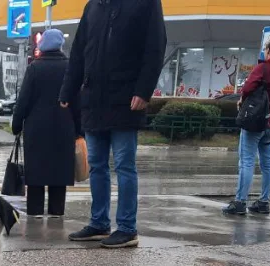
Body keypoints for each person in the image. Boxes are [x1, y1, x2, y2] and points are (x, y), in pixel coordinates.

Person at [60, 0, 167, 248]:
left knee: (124, 166)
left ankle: (127, 228)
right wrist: (67, 90)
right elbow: (78, 51)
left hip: (126, 99)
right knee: (96, 165)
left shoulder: (145, 4)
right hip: (94, 100)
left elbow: (155, 47)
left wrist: (144, 90)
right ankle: (99, 223)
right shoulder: (93, 6)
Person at [12, 29, 81, 218]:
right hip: (64, 128)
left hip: (37, 130)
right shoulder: (70, 68)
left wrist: (16, 124)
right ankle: (56, 213)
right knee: (59, 173)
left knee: (36, 173)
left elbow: (23, 100)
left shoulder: (35, 68)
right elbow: (77, 101)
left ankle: (35, 213)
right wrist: (79, 129)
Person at [224, 35, 270, 216]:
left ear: (268, 50)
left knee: (246, 162)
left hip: (255, 122)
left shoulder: (263, 68)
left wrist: (242, 101)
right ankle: (263, 202)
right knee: (268, 164)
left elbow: (247, 88)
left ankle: (239, 202)